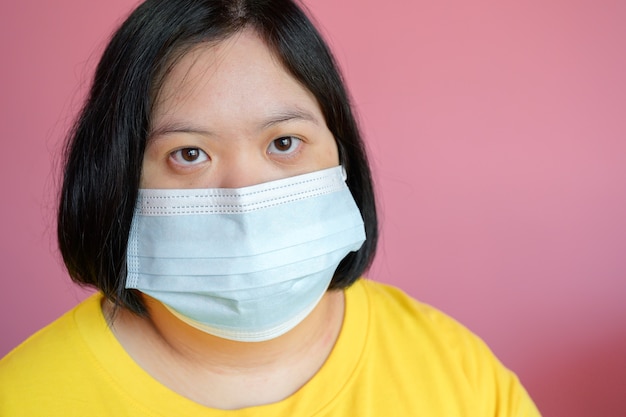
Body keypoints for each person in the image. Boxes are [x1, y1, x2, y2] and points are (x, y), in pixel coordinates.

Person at [0, 0, 541, 415]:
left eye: (284, 142)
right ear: (116, 179)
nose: (244, 195)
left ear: (341, 153)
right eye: (189, 154)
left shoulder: (460, 376)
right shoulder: (25, 396)